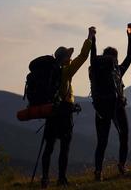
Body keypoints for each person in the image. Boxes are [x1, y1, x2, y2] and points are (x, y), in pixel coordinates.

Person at [41, 27, 95, 188]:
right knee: (64, 147)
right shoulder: (66, 72)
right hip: (64, 113)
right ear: (64, 59)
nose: (70, 59)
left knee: (49, 147)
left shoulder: (50, 74)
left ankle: (45, 179)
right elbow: (83, 56)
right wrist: (90, 37)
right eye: (68, 57)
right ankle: (61, 179)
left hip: (50, 112)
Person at [89, 24, 131, 181]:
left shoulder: (95, 68)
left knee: (101, 141)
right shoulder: (117, 70)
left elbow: (92, 54)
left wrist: (92, 39)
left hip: (100, 108)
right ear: (114, 59)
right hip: (117, 106)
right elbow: (129, 58)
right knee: (124, 135)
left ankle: (98, 172)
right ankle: (122, 166)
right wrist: (130, 39)